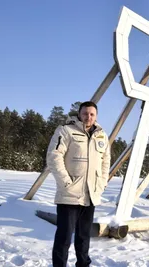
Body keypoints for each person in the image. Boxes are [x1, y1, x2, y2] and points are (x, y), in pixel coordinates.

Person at [46, 101, 111, 267]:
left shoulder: (101, 135)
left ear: (96, 116)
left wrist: (102, 182)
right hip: (69, 195)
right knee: (64, 237)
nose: (88, 117)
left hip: (91, 195)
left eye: (92, 114)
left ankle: (83, 264)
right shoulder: (66, 131)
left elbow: (105, 161)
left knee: (83, 237)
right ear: (79, 114)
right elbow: (54, 157)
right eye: (85, 113)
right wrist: (66, 183)